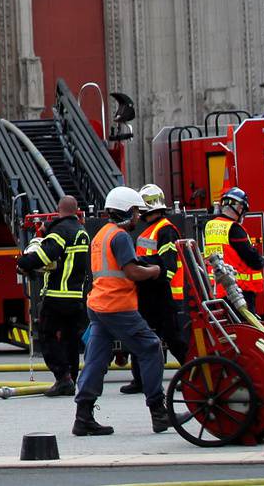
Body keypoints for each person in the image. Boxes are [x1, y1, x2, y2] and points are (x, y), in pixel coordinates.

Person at [73, 185, 170, 437]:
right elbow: (132, 272)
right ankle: (158, 412)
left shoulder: (101, 235)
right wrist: (156, 271)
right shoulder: (120, 236)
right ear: (127, 211)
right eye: (136, 211)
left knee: (95, 359)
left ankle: (83, 416)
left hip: (98, 305)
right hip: (118, 306)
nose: (138, 216)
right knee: (150, 347)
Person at [16, 194, 88, 397]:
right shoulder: (82, 232)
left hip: (57, 295)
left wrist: (23, 263)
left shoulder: (60, 231)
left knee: (47, 336)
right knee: (70, 339)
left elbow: (45, 255)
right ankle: (71, 377)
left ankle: (62, 378)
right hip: (76, 296)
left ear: (59, 209)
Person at [123, 185, 187, 394]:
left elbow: (168, 265)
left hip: (160, 293)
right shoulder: (152, 229)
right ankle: (140, 380)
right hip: (148, 291)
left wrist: (142, 266)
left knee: (173, 338)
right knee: (139, 336)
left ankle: (194, 376)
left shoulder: (165, 229)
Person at [203, 187, 264, 308]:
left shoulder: (210, 225)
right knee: (246, 325)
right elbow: (250, 257)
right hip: (238, 290)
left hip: (218, 289)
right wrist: (260, 260)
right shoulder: (234, 228)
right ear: (239, 207)